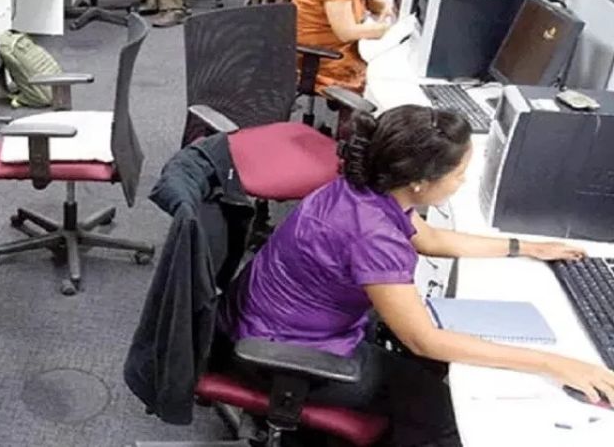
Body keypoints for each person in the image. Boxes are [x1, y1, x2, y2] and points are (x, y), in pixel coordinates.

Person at [224, 105, 614, 446]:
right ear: (421, 182)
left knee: (430, 369)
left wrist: (523, 246)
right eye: (459, 174)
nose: (463, 182)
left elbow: (431, 239)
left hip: (269, 321)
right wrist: (555, 364)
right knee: (443, 413)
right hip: (285, 354)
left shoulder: (368, 189)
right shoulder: (374, 235)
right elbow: (424, 340)